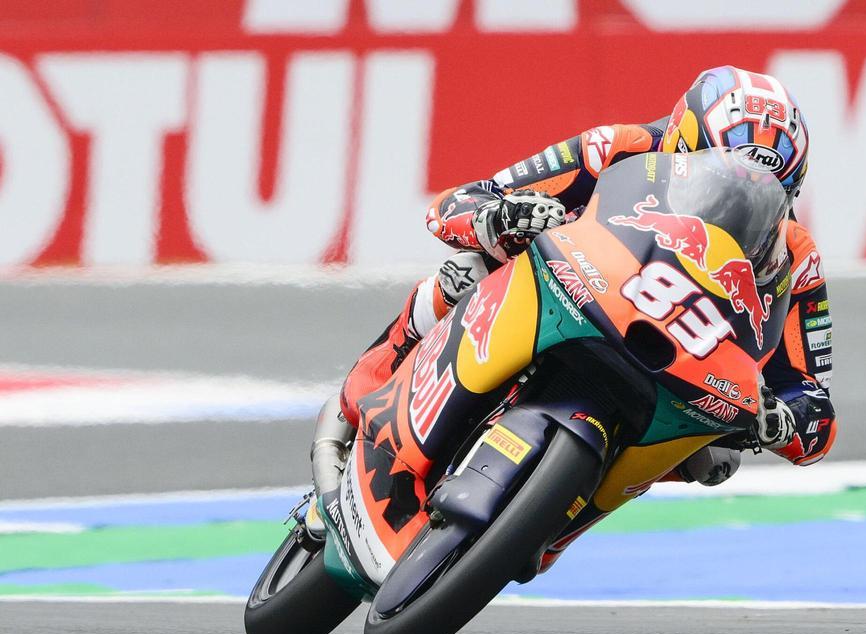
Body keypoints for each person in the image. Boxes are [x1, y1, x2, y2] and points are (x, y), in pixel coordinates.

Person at [309, 66, 836, 517]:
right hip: (566, 295)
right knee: (468, 271)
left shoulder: (796, 258)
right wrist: (497, 218)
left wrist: (784, 421)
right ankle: (369, 386)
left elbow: (815, 400)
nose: (738, 205)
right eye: (721, 177)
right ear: (682, 144)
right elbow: (458, 202)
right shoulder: (617, 149)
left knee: (716, 458)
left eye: (765, 194)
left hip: (679, 369)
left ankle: (557, 514)